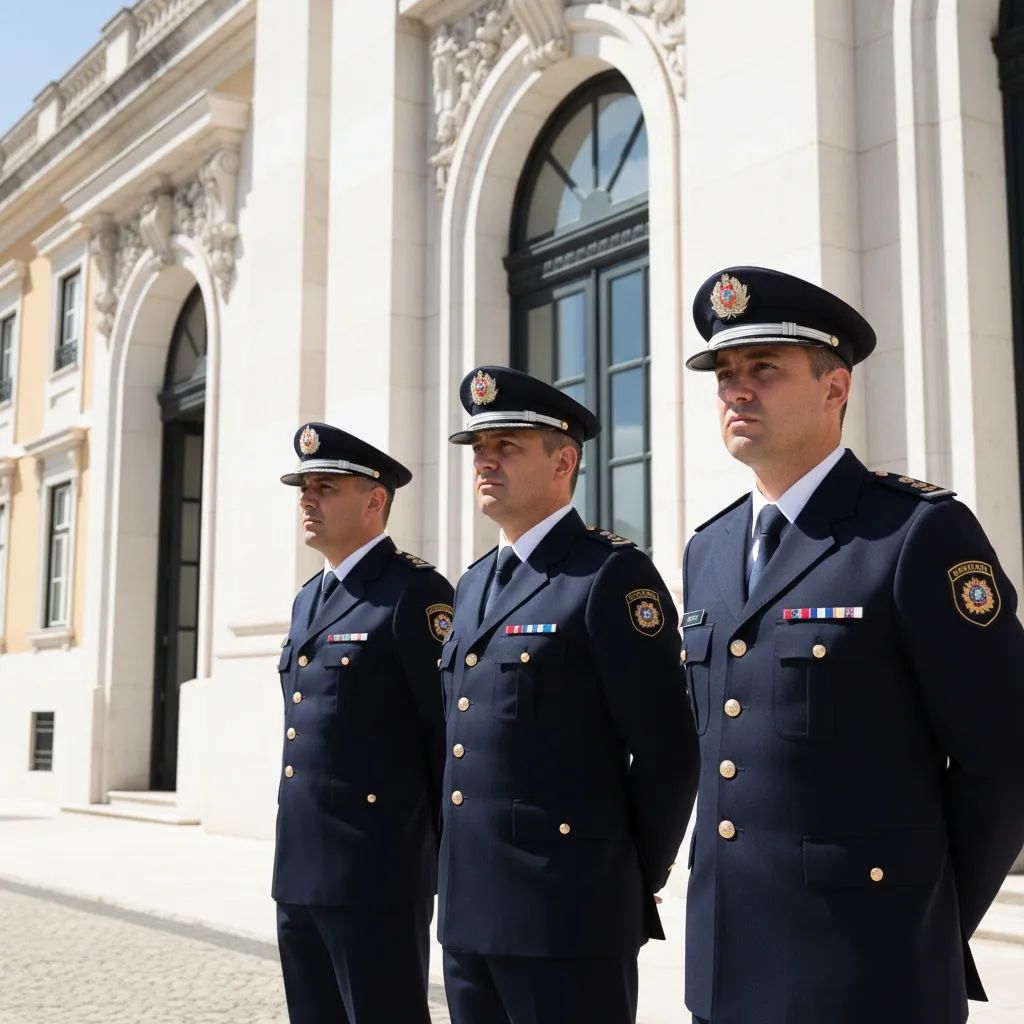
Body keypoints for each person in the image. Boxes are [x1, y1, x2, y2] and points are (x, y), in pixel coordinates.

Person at [681, 266, 1024, 1024]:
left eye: (764, 370)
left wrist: (920, 920)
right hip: (724, 973)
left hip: (867, 973)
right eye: (726, 374)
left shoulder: (913, 533)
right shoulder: (708, 551)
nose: (737, 391)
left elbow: (1002, 760)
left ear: (835, 389)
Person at [437, 366, 699, 1024]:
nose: (485, 463)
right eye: (478, 449)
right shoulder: (470, 588)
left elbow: (669, 751)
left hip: (569, 913)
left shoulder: (608, 576)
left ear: (563, 460)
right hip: (470, 914)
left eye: (507, 447)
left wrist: (625, 876)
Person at [273, 422, 453, 1024]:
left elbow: (445, 733)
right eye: (304, 487)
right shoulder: (307, 598)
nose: (307, 498)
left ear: (374, 500)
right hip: (300, 861)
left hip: (376, 867)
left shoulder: (412, 592)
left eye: (325, 486)